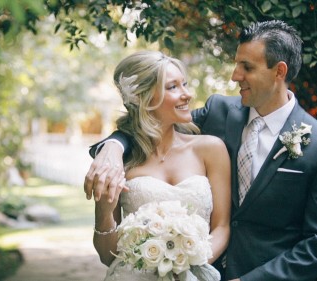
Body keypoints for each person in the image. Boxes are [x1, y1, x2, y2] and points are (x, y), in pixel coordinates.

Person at [85, 20, 317, 281]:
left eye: (247, 67)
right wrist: (113, 145)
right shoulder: (219, 112)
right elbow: (150, 125)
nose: (235, 76)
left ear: (279, 72)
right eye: (236, 64)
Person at [91, 51, 231, 280]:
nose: (187, 94)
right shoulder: (120, 162)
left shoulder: (210, 149)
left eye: (184, 84)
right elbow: (108, 256)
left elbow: (222, 227)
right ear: (144, 98)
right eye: (173, 87)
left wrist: (185, 263)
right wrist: (105, 212)